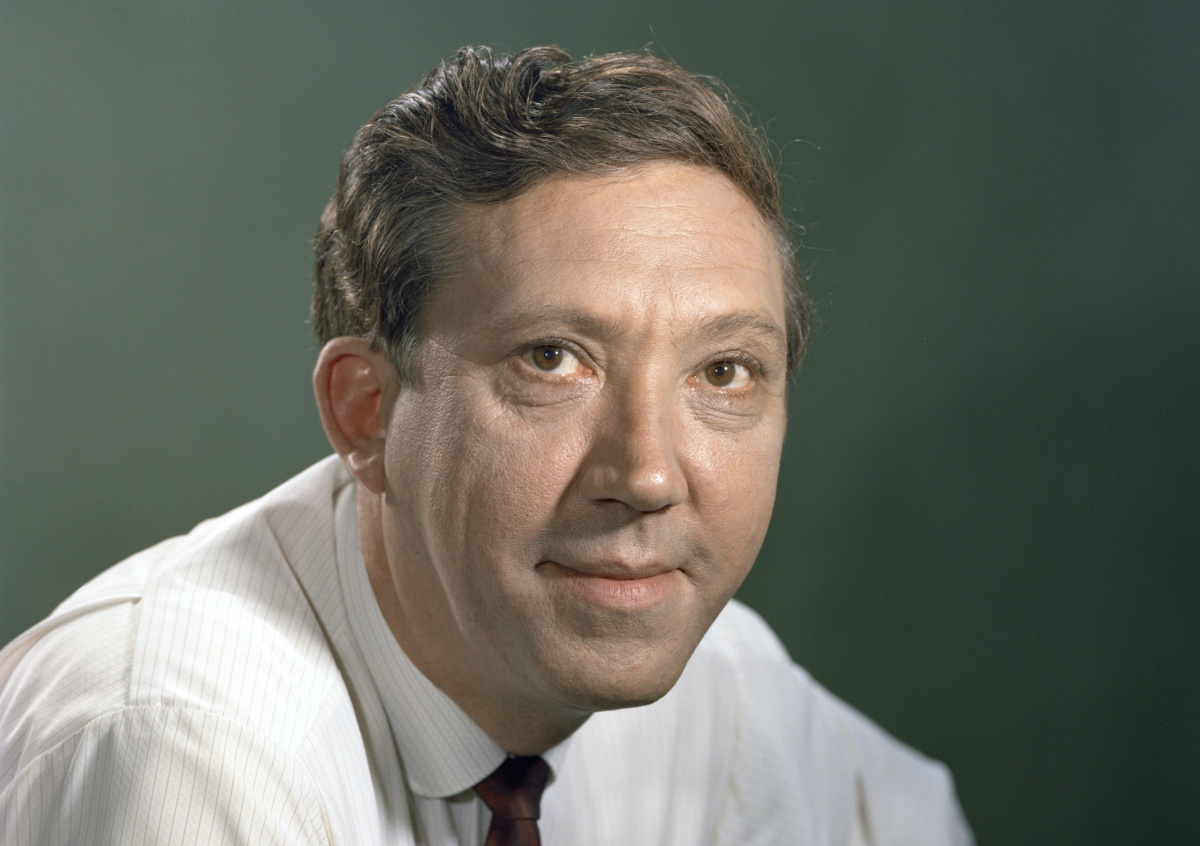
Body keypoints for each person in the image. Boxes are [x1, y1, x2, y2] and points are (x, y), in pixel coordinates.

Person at [0, 46, 973, 845]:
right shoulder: (178, 749)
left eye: (722, 372)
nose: (646, 476)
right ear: (367, 412)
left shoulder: (729, 698)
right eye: (553, 359)